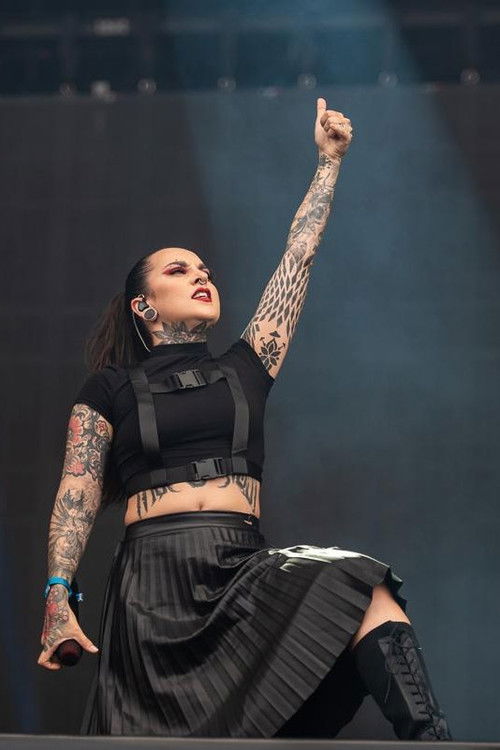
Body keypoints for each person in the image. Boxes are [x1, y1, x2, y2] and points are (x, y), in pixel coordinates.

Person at [38, 98, 451, 740]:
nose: (201, 276)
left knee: (364, 584)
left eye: (205, 269)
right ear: (144, 306)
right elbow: (77, 492)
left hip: (239, 569)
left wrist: (329, 164)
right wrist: (58, 595)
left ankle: (434, 741)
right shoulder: (110, 387)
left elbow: (298, 257)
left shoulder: (246, 366)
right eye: (179, 270)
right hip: (153, 583)